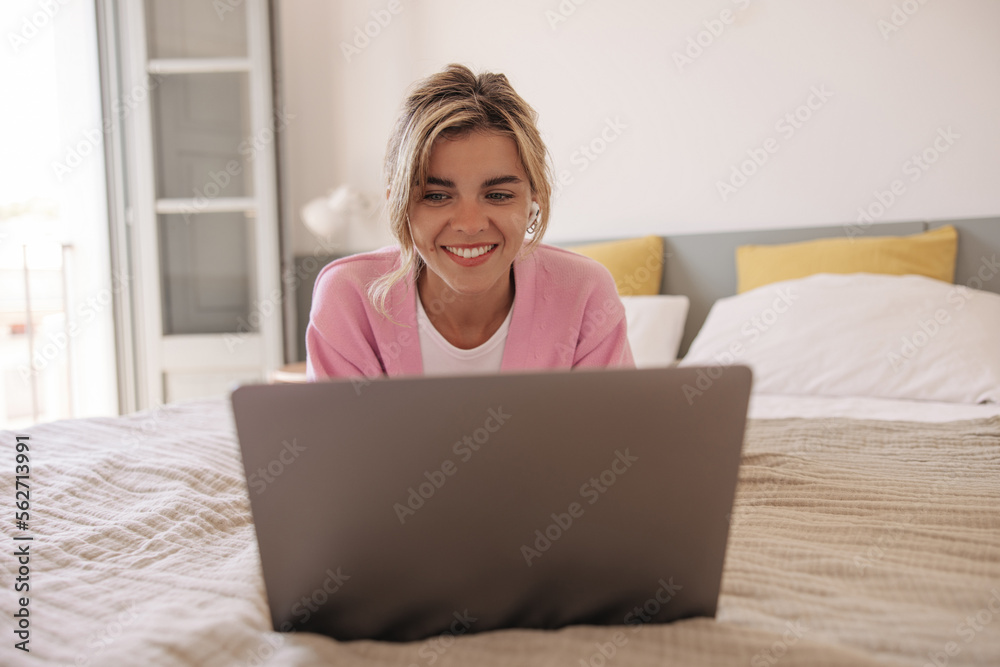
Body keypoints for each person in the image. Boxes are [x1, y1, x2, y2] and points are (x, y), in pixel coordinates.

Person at [306, 64, 633, 379]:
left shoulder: (584, 292)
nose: (470, 224)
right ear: (399, 204)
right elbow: (339, 435)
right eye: (436, 196)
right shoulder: (350, 296)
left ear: (535, 200)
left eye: (498, 195)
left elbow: (612, 434)